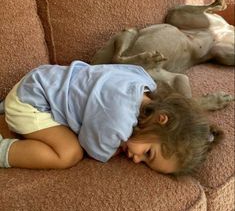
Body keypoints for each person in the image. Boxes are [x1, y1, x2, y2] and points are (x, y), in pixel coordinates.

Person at [0, 61, 221, 174]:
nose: (136, 160)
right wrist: (117, 146)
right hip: (31, 103)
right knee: (68, 153)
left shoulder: (143, 83)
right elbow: (93, 149)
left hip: (41, 79)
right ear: (161, 119)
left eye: (144, 163)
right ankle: (4, 151)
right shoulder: (118, 122)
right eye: (147, 153)